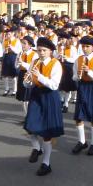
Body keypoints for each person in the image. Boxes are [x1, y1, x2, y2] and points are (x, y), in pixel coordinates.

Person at [23, 37, 64, 176]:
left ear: (50, 51)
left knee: (47, 133)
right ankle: (36, 148)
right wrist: (27, 81)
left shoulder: (56, 64)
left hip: (49, 96)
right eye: (39, 50)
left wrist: (39, 76)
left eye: (44, 50)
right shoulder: (34, 62)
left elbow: (54, 85)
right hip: (36, 95)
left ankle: (46, 163)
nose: (41, 53)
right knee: (30, 125)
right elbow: (30, 83)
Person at [71, 35, 93, 156]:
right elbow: (74, 76)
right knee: (79, 116)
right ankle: (82, 141)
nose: (85, 49)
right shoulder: (78, 59)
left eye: (87, 46)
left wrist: (89, 72)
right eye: (83, 46)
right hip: (82, 87)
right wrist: (78, 75)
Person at [15, 36, 38, 117]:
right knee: (23, 99)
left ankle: (31, 116)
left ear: (30, 45)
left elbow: (33, 67)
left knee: (28, 98)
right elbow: (16, 66)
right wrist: (18, 62)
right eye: (22, 43)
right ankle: (27, 116)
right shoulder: (20, 53)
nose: (23, 45)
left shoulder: (34, 54)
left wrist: (22, 63)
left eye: (25, 43)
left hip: (30, 75)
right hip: (22, 74)